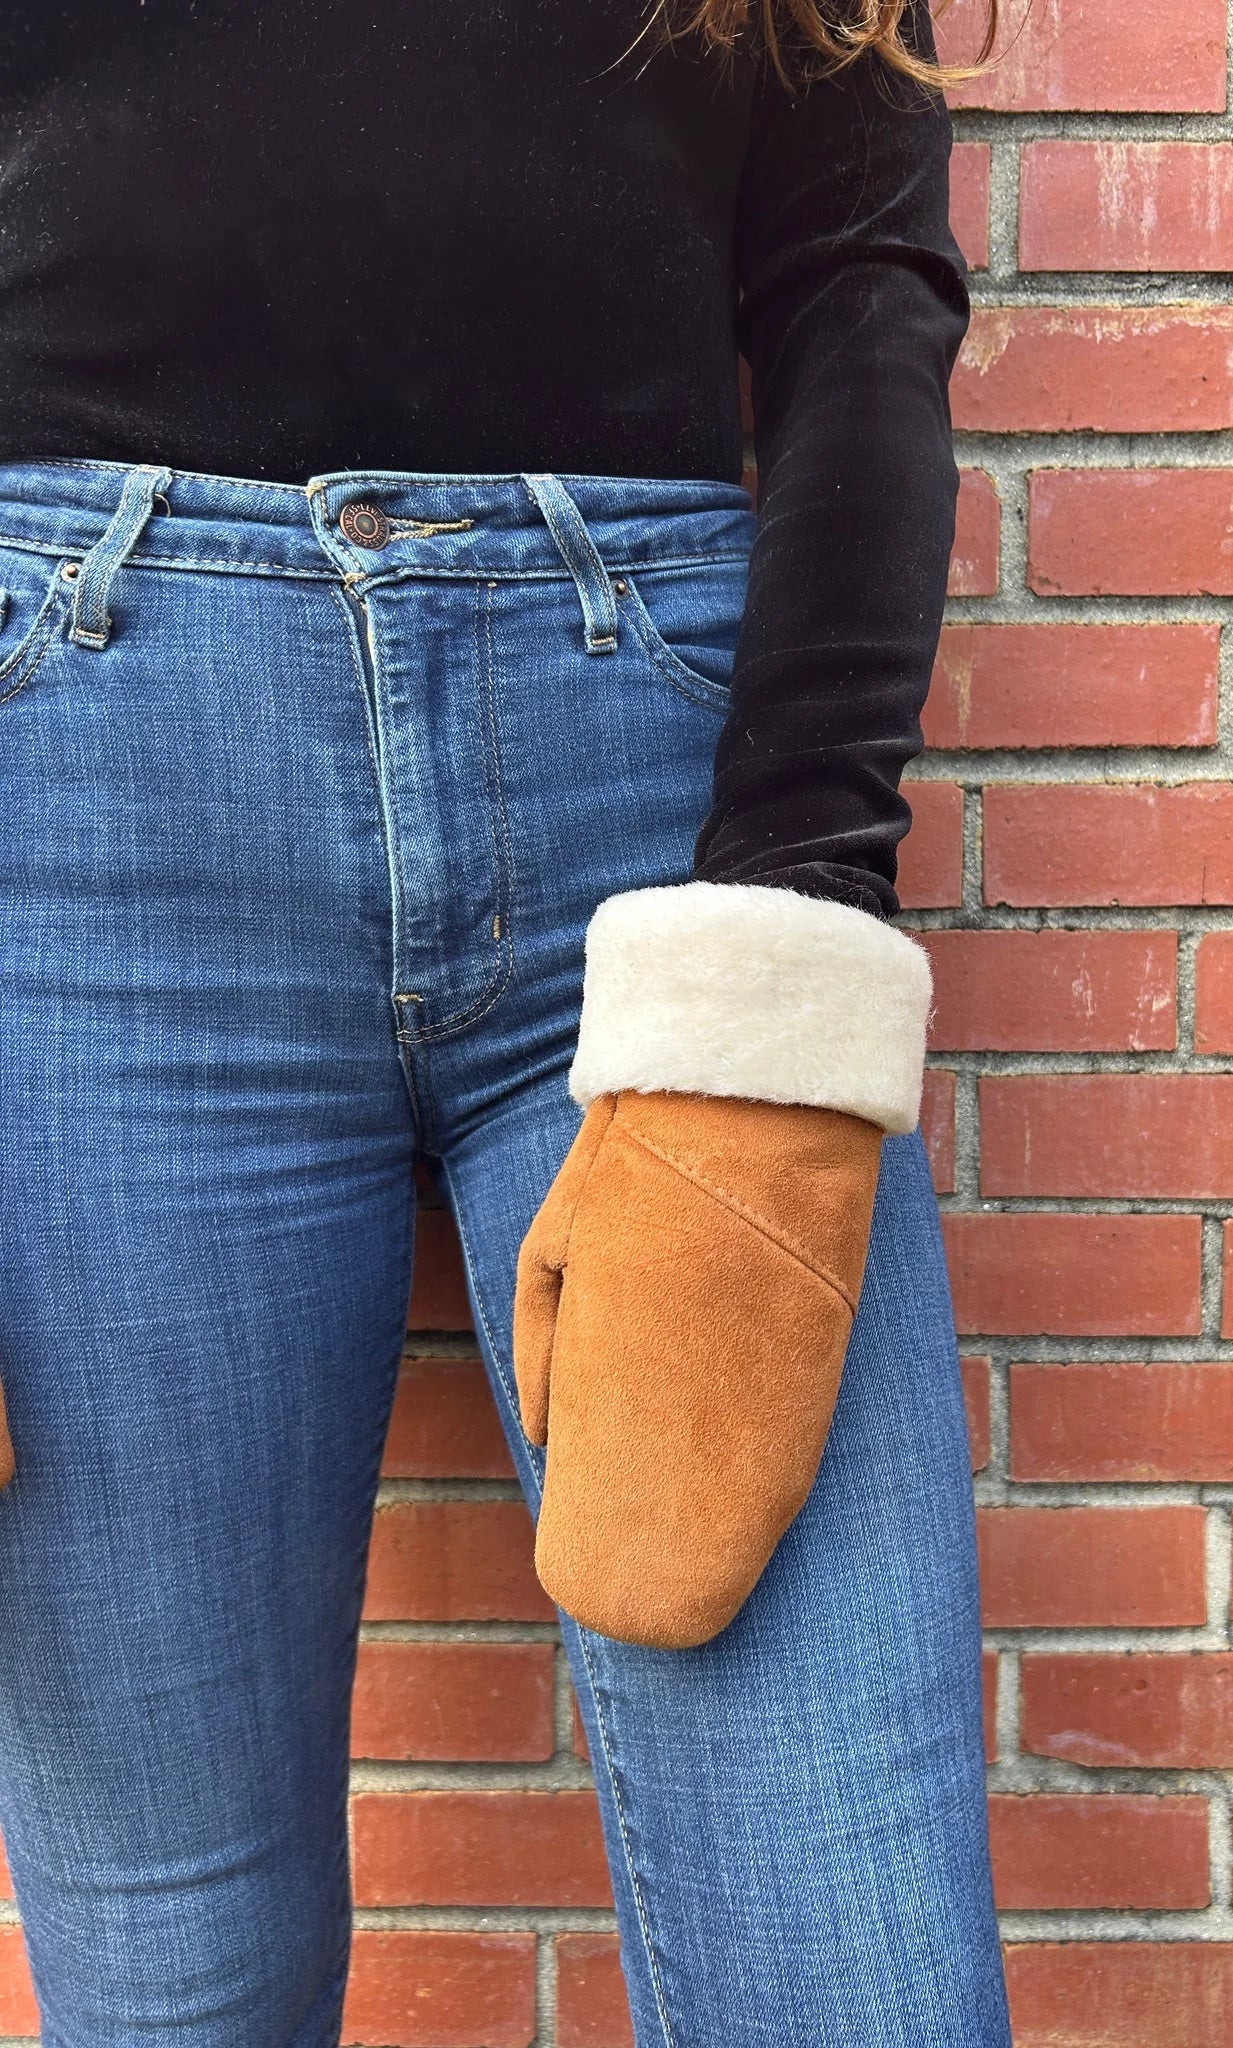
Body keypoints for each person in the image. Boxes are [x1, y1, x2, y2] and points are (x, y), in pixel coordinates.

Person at [0, 2, 1009, 2041]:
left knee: (857, 1970)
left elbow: (860, 296)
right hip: (91, 807)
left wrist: (794, 891)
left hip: (667, 819)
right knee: (173, 1983)